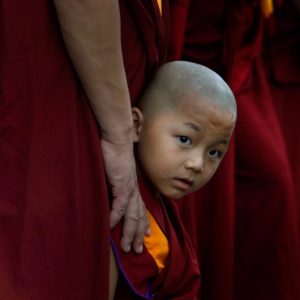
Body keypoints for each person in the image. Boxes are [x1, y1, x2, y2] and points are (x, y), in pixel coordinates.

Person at [110, 61, 237, 300]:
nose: (197, 164)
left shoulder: (163, 209)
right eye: (185, 140)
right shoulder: (119, 215)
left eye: (214, 152)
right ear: (136, 125)